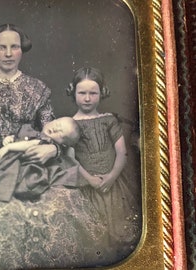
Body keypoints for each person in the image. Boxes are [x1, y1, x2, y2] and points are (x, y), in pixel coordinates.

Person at [0, 24, 110, 269]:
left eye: (15, 47)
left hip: (35, 157)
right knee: (5, 215)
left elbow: (53, 128)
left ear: (22, 51)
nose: (9, 53)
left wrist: (53, 149)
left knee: (61, 204)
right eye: (3, 47)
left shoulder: (38, 88)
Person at [0, 117, 82, 227]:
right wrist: (9, 139)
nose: (55, 128)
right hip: (5, 157)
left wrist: (10, 146)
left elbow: (28, 144)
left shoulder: (44, 142)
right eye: (57, 123)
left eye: (61, 133)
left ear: (62, 143)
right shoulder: (33, 132)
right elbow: (19, 138)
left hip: (16, 163)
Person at [67, 66, 141, 261]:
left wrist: (111, 177)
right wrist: (90, 179)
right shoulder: (69, 124)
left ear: (102, 93)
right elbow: (70, 158)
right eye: (82, 93)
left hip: (113, 184)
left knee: (120, 233)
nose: (87, 98)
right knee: (94, 236)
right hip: (87, 185)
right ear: (73, 92)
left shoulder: (108, 120)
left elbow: (122, 153)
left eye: (93, 93)